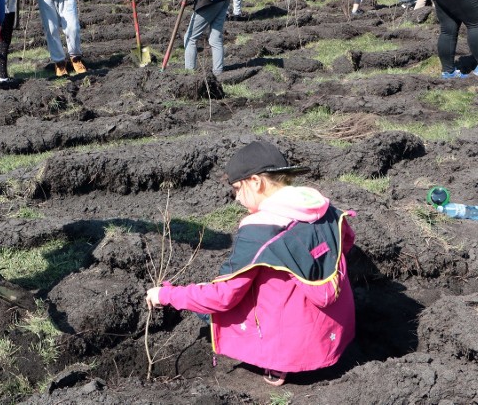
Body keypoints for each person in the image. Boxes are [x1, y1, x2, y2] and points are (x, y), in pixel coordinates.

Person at [145, 140, 356, 387]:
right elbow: (347, 242)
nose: (236, 198)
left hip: (293, 348)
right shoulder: (324, 208)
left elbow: (223, 297)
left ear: (256, 182)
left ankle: (278, 363)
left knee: (223, 300)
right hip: (338, 332)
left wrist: (168, 294)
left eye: (237, 188)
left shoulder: (260, 230)